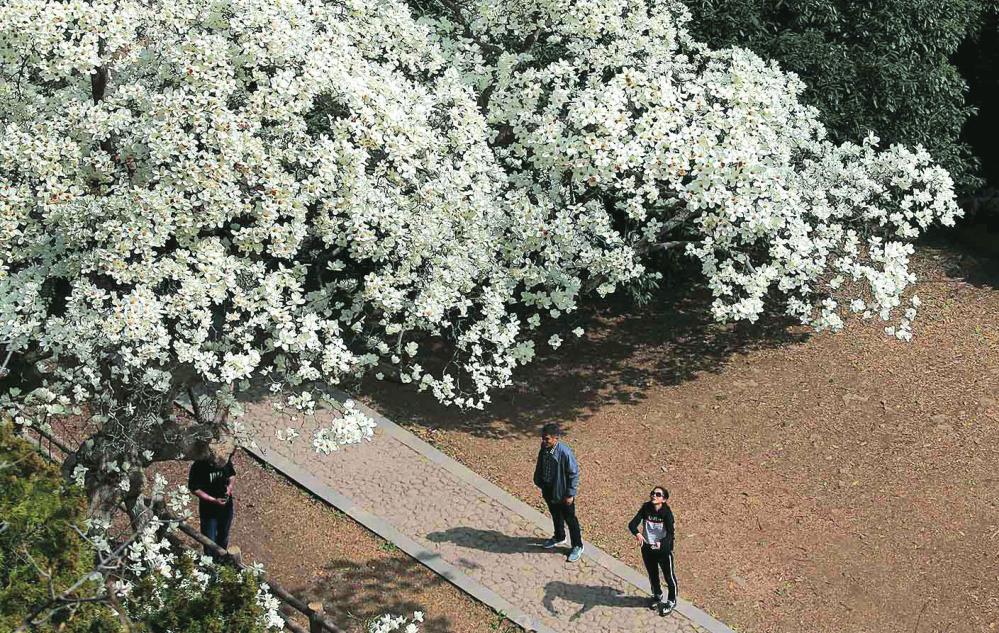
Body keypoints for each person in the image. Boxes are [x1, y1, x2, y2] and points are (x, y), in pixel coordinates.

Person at [533, 423, 583, 562]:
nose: (544, 441)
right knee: (555, 514)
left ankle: (577, 545)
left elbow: (573, 474)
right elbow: (541, 464)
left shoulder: (565, 453)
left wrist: (570, 494)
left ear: (556, 438)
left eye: (547, 439)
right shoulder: (544, 448)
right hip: (549, 489)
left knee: (570, 519)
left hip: (562, 492)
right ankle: (559, 536)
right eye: (543, 438)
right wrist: (539, 480)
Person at [628, 485, 677, 616]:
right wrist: (637, 534)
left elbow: (671, 534)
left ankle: (672, 601)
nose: (654, 496)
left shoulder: (667, 513)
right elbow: (632, 524)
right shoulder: (646, 508)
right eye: (653, 493)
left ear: (664, 499)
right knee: (653, 575)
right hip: (647, 549)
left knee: (669, 577)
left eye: (658, 494)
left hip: (663, 551)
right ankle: (657, 595)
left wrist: (661, 544)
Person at [188, 441, 236, 558]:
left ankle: (221, 558)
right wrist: (213, 500)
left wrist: (229, 488)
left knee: (223, 536)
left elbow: (232, 475)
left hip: (226, 508)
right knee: (209, 540)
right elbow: (195, 489)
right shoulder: (199, 466)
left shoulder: (224, 459)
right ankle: (210, 562)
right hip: (208, 511)